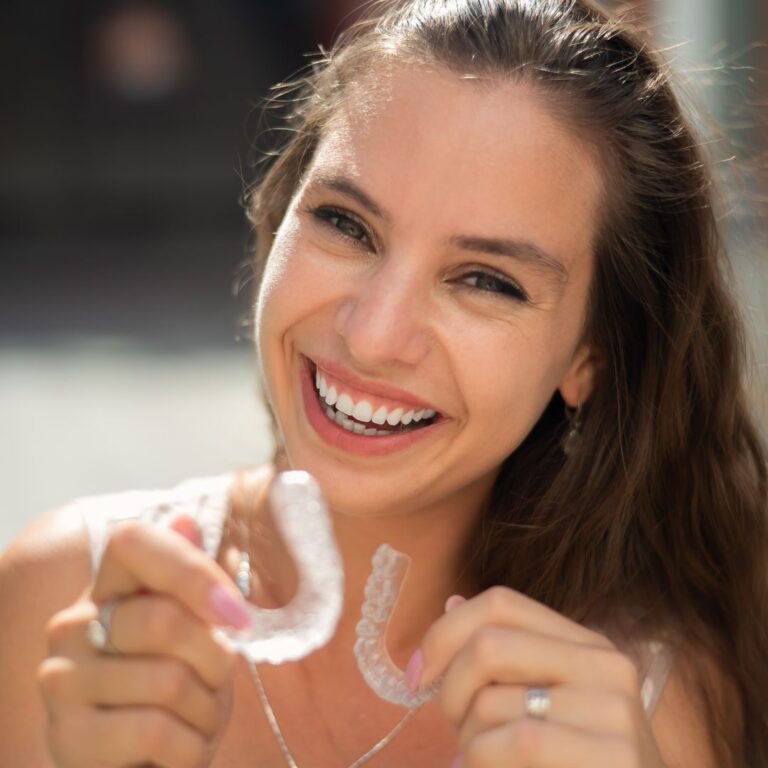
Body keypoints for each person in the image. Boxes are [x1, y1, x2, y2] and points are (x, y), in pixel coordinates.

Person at [1, 0, 766, 766]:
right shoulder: (61, 601)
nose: (371, 336)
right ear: (280, 211)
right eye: (346, 225)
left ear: (589, 356)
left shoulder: (655, 702)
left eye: (485, 281)